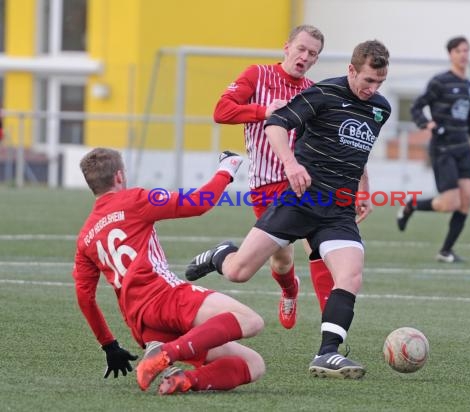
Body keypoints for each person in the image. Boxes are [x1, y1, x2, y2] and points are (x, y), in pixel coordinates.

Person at [186, 39, 391, 379]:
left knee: (351, 274)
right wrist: (291, 164)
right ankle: (222, 254)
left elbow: (358, 152)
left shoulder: (381, 108)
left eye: (380, 82)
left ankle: (328, 353)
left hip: (338, 209)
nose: (373, 88)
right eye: (368, 80)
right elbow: (276, 124)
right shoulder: (323, 93)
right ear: (351, 70)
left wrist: (363, 190)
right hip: (300, 199)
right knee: (239, 272)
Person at [72, 148, 265, 395]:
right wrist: (227, 169)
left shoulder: (85, 237)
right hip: (164, 298)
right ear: (119, 176)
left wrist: (109, 345)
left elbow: (84, 298)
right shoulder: (135, 199)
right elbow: (198, 203)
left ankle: (184, 379)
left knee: (254, 364)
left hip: (141, 323)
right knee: (251, 321)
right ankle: (167, 353)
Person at [212, 24, 334, 327]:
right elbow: (221, 111)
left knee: (320, 248)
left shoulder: (313, 91)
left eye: (312, 54)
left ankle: (332, 331)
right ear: (287, 47)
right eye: (301, 49)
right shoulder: (257, 75)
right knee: (281, 259)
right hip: (266, 185)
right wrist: (266, 111)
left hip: (305, 181)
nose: (304, 57)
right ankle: (290, 290)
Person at [399, 36, 470, 263]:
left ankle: (445, 251)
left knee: (467, 199)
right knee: (448, 204)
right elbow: (417, 106)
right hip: (443, 149)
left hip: (463, 149)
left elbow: (468, 118)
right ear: (451, 54)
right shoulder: (439, 81)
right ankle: (411, 205)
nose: (464, 55)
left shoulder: (468, 85)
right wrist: (428, 124)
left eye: (467, 50)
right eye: (460, 51)